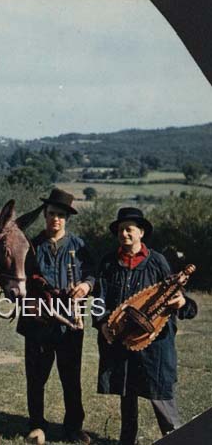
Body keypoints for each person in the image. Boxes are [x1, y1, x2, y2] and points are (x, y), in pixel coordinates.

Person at [94, 207, 197, 445]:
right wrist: (102, 324)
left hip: (155, 341)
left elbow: (178, 296)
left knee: (159, 390)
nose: (124, 234)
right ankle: (127, 439)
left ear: (141, 232)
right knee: (127, 390)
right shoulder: (109, 263)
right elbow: (99, 299)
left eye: (129, 229)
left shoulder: (157, 261)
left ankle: (175, 437)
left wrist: (182, 302)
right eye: (120, 229)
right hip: (122, 337)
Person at [17, 188, 94, 445]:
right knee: (36, 378)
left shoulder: (79, 246)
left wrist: (85, 286)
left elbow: (93, 275)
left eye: (61, 215)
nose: (55, 219)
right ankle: (37, 425)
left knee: (70, 378)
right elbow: (18, 281)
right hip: (38, 324)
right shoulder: (31, 246)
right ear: (45, 216)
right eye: (51, 214)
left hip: (70, 325)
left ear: (66, 218)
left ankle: (73, 428)